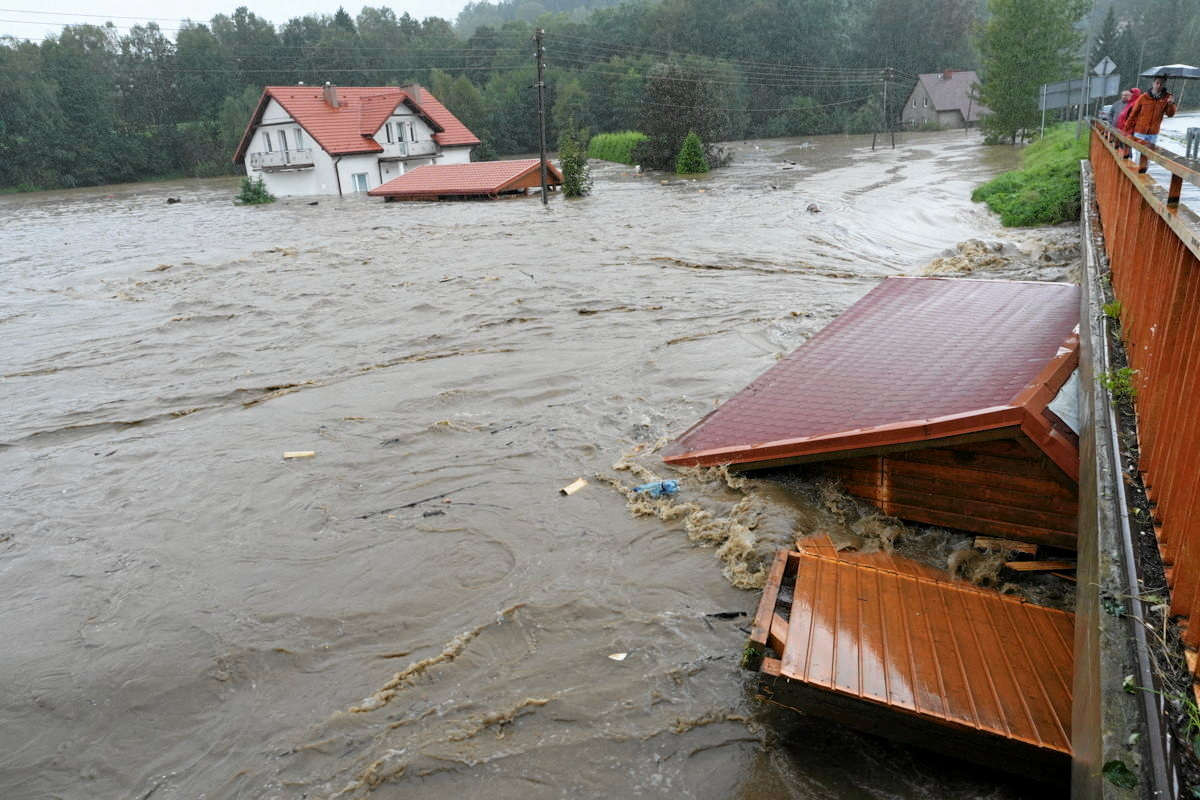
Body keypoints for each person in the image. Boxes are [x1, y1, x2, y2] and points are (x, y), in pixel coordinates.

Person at [1124, 76, 1177, 145]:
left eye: (1162, 84)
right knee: (1138, 154)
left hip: (1153, 133)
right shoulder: (1143, 97)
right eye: (1157, 83)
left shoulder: (1167, 98)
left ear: (1164, 85)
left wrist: (1171, 104)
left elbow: (1170, 114)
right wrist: (1125, 130)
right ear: (1153, 83)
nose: (1159, 85)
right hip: (1140, 132)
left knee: (1149, 154)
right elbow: (1133, 114)